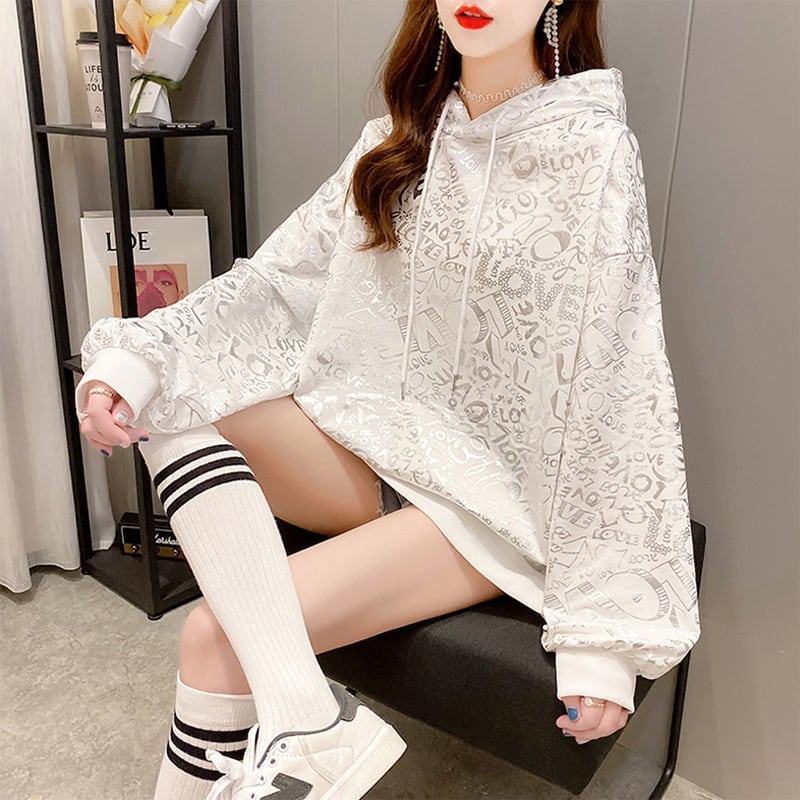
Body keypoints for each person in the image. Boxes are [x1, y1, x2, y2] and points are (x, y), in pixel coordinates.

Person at [74, 1, 702, 798]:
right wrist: (135, 363)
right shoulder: (395, 142)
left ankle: (307, 721)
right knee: (172, 391)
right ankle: (311, 725)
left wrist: (601, 642)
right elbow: (278, 283)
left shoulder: (591, 151)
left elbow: (618, 378)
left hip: (483, 506)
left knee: (212, 635)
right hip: (375, 453)